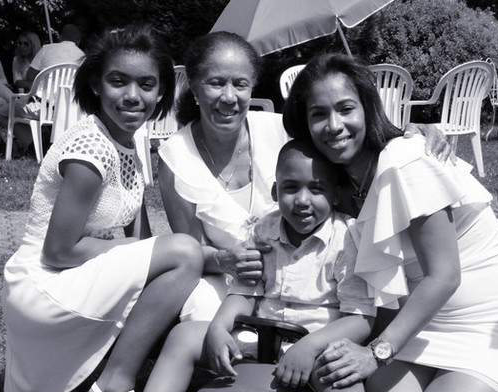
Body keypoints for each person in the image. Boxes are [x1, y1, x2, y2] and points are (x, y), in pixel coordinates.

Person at [72, 140, 381, 392]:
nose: (303, 201)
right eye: (291, 188)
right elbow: (242, 292)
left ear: (335, 194)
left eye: (316, 189)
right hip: (260, 340)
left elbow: (360, 319)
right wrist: (219, 327)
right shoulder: (265, 231)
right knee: (185, 336)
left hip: (315, 346)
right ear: (275, 190)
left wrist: (311, 346)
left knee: (341, 371)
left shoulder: (346, 238)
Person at [282, 53, 498, 392]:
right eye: (318, 114)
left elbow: (444, 276)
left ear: (368, 107)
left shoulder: (405, 160)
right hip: (419, 328)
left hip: (493, 324)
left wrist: (374, 354)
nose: (334, 125)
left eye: (346, 109)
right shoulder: (341, 183)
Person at [157, 31, 452, 323]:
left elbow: (341, 137)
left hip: (312, 275)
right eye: (216, 83)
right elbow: (193, 253)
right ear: (194, 87)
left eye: (240, 84)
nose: (229, 96)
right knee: (203, 313)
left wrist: (405, 133)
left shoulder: (282, 131)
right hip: (232, 280)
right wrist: (224, 260)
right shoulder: (176, 158)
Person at [0, 25, 203, 392]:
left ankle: (120, 373)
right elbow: (57, 251)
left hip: (71, 275)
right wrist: (132, 247)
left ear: (162, 92)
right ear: (96, 84)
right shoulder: (91, 148)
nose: (133, 96)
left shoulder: (127, 143)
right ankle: (111, 391)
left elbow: (143, 240)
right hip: (44, 284)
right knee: (185, 254)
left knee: (181, 270)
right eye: (118, 81)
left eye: (147, 84)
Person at [17, 23, 86, 91]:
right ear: (78, 41)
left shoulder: (46, 49)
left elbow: (29, 76)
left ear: (60, 37)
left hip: (44, 96)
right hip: (70, 97)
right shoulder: (82, 56)